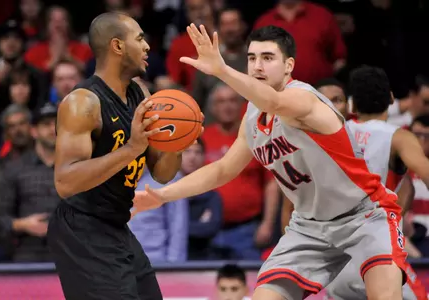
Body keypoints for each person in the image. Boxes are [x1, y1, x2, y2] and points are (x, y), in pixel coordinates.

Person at [133, 25, 407, 300]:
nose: (257, 66)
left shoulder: (304, 98)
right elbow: (222, 169)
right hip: (310, 226)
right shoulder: (252, 115)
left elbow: (275, 102)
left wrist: (222, 70)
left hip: (364, 215)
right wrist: (162, 195)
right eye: (252, 58)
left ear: (289, 65)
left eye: (267, 58)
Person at [47, 12, 193, 300]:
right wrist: (130, 150)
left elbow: (162, 172)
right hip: (81, 226)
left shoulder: (140, 92)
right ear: (117, 46)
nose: (148, 46)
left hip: (116, 224)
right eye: (139, 39)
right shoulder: (82, 103)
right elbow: (65, 181)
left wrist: (179, 139)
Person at [324, 66, 429, 300]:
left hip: (336, 261)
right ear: (391, 99)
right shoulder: (398, 137)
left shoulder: (334, 136)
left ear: (351, 104)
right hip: (378, 254)